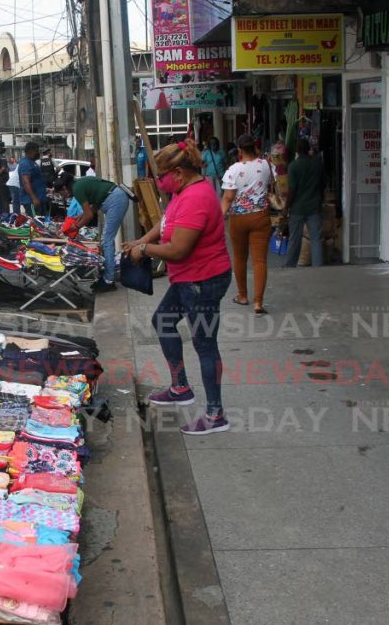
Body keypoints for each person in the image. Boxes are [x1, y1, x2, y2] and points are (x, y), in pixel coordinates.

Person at [122, 139, 233, 436]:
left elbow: (178, 249)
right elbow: (166, 223)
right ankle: (181, 387)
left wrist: (144, 252)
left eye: (161, 177)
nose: (158, 182)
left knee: (205, 344)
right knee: (163, 320)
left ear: (179, 173)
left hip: (203, 281)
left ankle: (215, 415)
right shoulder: (182, 192)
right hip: (188, 279)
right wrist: (141, 240)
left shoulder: (197, 197)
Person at [221, 133, 274, 314]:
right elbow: (271, 184)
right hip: (261, 216)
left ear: (240, 150)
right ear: (255, 147)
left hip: (238, 218)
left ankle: (243, 296)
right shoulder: (266, 165)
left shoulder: (233, 169)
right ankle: (258, 303)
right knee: (260, 260)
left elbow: (228, 197)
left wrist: (219, 216)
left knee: (240, 257)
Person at [54, 173, 131, 293]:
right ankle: (107, 276)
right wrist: (80, 217)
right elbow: (94, 206)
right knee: (106, 240)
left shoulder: (77, 189)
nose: (62, 196)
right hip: (115, 197)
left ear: (64, 188)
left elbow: (89, 215)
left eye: (60, 193)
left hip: (116, 200)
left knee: (107, 240)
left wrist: (76, 227)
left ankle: (108, 280)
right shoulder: (79, 184)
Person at [283, 137, 325, 267]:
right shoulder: (318, 163)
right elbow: (323, 184)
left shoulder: (293, 166)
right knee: (316, 239)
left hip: (297, 208)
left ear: (297, 150)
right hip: (314, 206)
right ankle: (318, 266)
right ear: (308, 149)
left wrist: (286, 207)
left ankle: (290, 265)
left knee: (294, 239)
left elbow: (292, 189)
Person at [18, 141, 48, 216]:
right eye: (36, 151)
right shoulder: (25, 164)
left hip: (39, 198)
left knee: (41, 223)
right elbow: (26, 182)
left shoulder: (32, 162)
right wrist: (34, 198)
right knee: (35, 223)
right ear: (30, 151)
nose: (38, 153)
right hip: (31, 201)